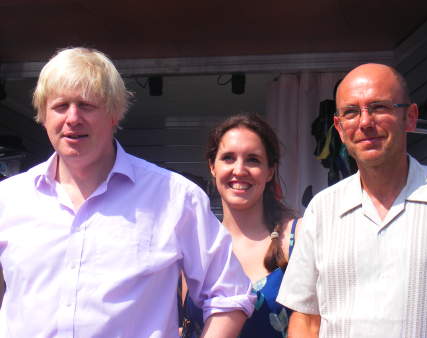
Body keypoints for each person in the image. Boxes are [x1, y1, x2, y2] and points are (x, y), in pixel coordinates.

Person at [0, 47, 255, 337]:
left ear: (113, 114)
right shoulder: (8, 200)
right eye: (60, 106)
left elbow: (229, 296)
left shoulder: (174, 197)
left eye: (86, 105)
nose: (72, 118)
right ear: (43, 116)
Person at [277, 63, 427, 337]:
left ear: (411, 117)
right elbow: (307, 321)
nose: (365, 122)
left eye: (380, 107)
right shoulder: (322, 210)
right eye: (351, 112)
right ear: (339, 128)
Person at [182, 114, 300, 337]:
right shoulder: (194, 246)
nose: (239, 170)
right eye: (228, 158)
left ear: (270, 171)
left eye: (253, 159)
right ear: (212, 167)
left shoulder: (297, 237)